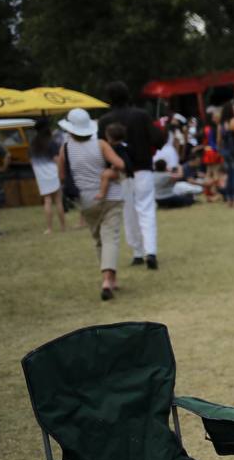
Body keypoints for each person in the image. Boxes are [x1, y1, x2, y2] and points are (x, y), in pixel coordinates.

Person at [57, 108, 126, 298]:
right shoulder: (101, 144)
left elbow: (62, 176)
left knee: (99, 240)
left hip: (86, 200)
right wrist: (107, 173)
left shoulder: (65, 149)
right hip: (112, 196)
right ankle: (108, 279)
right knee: (110, 237)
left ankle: (109, 278)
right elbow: (120, 164)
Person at [99, 81, 161, 266]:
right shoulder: (141, 115)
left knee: (128, 212)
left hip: (120, 173)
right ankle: (151, 251)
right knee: (146, 210)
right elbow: (158, 139)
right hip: (143, 169)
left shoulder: (104, 121)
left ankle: (137, 252)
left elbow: (100, 149)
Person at [29, 118, 65, 233]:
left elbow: (31, 161)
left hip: (41, 176)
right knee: (58, 201)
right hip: (54, 173)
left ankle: (49, 228)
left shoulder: (32, 144)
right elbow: (57, 159)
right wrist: (62, 172)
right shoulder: (51, 142)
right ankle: (63, 227)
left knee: (47, 201)